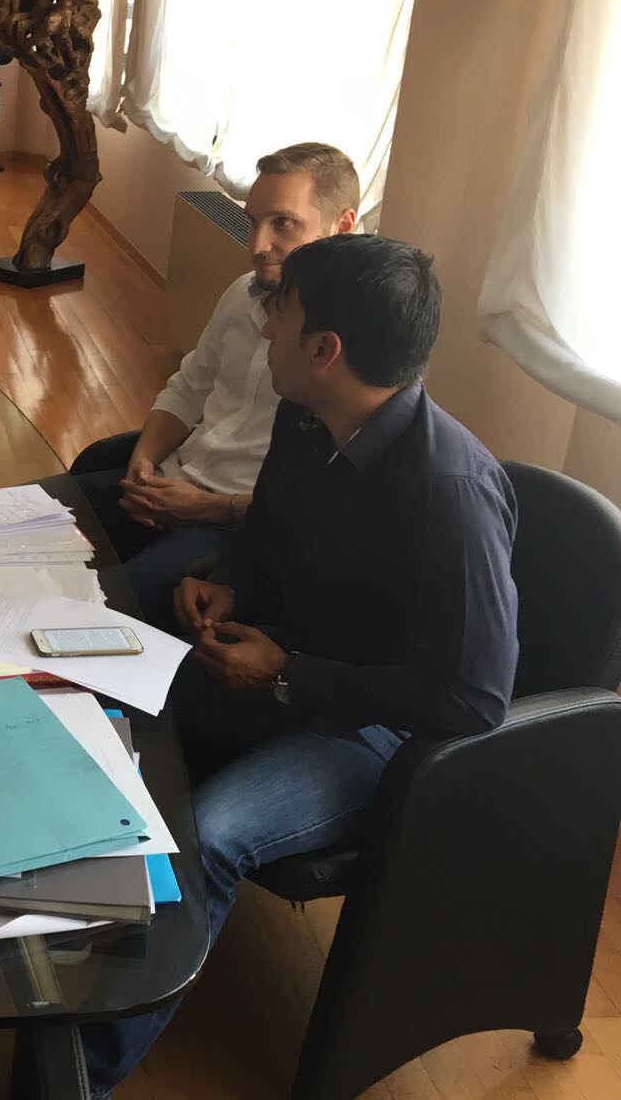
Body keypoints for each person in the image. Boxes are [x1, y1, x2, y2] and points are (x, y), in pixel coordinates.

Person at [80, 235, 519, 1096]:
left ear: (326, 349)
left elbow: (475, 699)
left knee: (209, 836)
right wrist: (229, 583)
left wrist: (290, 675)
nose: (264, 327)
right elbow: (268, 536)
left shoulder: (450, 490)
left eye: (278, 313)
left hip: (381, 731)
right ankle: (54, 938)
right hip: (288, 670)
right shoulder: (306, 417)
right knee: (100, 698)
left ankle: (78, 1076)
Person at [73, 143, 359, 617]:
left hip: (228, 530)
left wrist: (208, 507)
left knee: (86, 612)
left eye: (283, 224)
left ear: (342, 226)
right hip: (166, 486)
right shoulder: (241, 293)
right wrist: (143, 460)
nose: (257, 246)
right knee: (14, 530)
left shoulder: (346, 351)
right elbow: (188, 388)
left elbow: (318, 506)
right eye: (253, 222)